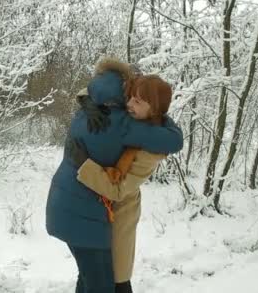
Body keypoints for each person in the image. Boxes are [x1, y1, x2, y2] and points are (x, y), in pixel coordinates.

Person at [45, 58, 183, 293]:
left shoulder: (92, 108)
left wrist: (87, 100)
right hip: (87, 216)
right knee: (103, 286)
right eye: (131, 97)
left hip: (68, 207)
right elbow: (175, 140)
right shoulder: (124, 125)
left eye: (138, 101)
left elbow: (87, 90)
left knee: (90, 280)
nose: (130, 104)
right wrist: (84, 165)